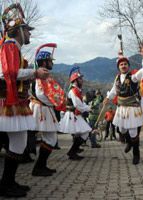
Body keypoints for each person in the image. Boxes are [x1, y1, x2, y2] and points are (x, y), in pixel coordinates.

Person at [0, 3, 49, 198]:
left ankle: (8, 182)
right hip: (6, 101)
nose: (29, 34)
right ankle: (6, 184)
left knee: (18, 142)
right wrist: (35, 72)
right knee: (17, 142)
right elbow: (7, 73)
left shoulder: (12, 47)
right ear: (19, 30)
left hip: (14, 101)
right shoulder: (10, 46)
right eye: (27, 31)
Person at [103, 46, 143, 165]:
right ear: (118, 67)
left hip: (132, 108)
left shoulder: (134, 77)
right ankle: (129, 142)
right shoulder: (117, 78)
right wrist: (108, 98)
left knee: (133, 132)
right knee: (122, 129)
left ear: (128, 66)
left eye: (125, 64)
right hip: (121, 108)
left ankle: (136, 154)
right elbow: (114, 90)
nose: (123, 66)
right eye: (121, 64)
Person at [30, 47, 63, 176]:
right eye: (50, 61)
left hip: (44, 108)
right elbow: (40, 94)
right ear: (44, 62)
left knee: (50, 138)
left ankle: (41, 166)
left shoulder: (43, 74)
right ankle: (39, 167)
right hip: (42, 108)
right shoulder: (41, 75)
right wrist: (55, 103)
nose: (52, 63)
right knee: (50, 138)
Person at [59, 69, 92, 160]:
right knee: (85, 132)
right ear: (75, 81)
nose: (82, 80)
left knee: (83, 133)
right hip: (72, 115)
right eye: (80, 79)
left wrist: (87, 107)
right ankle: (73, 152)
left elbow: (80, 104)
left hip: (74, 115)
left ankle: (73, 151)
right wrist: (88, 108)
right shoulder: (74, 91)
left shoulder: (76, 90)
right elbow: (78, 105)